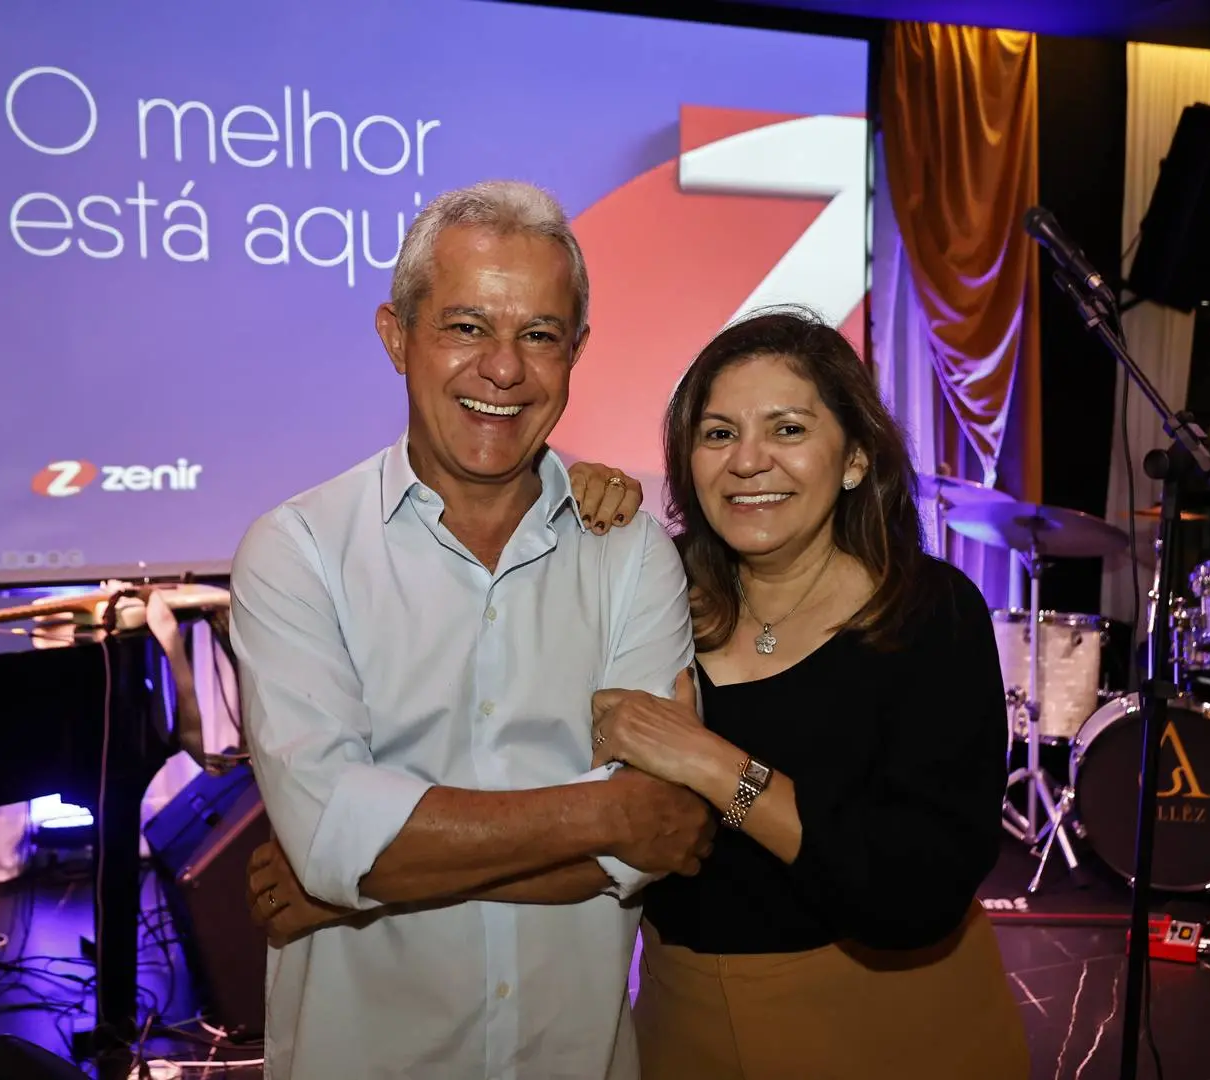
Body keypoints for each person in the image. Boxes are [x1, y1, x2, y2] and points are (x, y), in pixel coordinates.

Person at [250, 307, 1031, 1078]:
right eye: (718, 434)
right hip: (687, 1024)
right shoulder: (657, 582)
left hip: (894, 1022)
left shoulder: (929, 614)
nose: (748, 461)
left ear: (855, 456)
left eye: (788, 429)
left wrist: (714, 765)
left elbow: (914, 887)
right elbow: (623, 845)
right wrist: (371, 879)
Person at [228, 178, 714, 1080]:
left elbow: (664, 840)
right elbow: (336, 835)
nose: (504, 368)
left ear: (576, 352)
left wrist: (360, 883)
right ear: (395, 336)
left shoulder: (630, 553)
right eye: (466, 326)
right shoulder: (300, 551)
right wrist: (607, 811)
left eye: (540, 335)